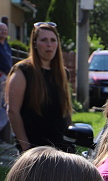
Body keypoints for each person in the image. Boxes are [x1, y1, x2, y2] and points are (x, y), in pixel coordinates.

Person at [6, 21, 72, 152]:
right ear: (35, 43)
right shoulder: (22, 71)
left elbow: (66, 111)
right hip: (34, 148)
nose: (49, 45)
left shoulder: (63, 73)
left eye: (53, 40)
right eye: (44, 40)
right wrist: (26, 147)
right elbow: (13, 111)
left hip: (61, 147)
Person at [0, 21, 12, 143]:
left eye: (5, 29)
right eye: (1, 29)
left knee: (6, 105)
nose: (4, 32)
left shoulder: (6, 45)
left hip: (7, 77)